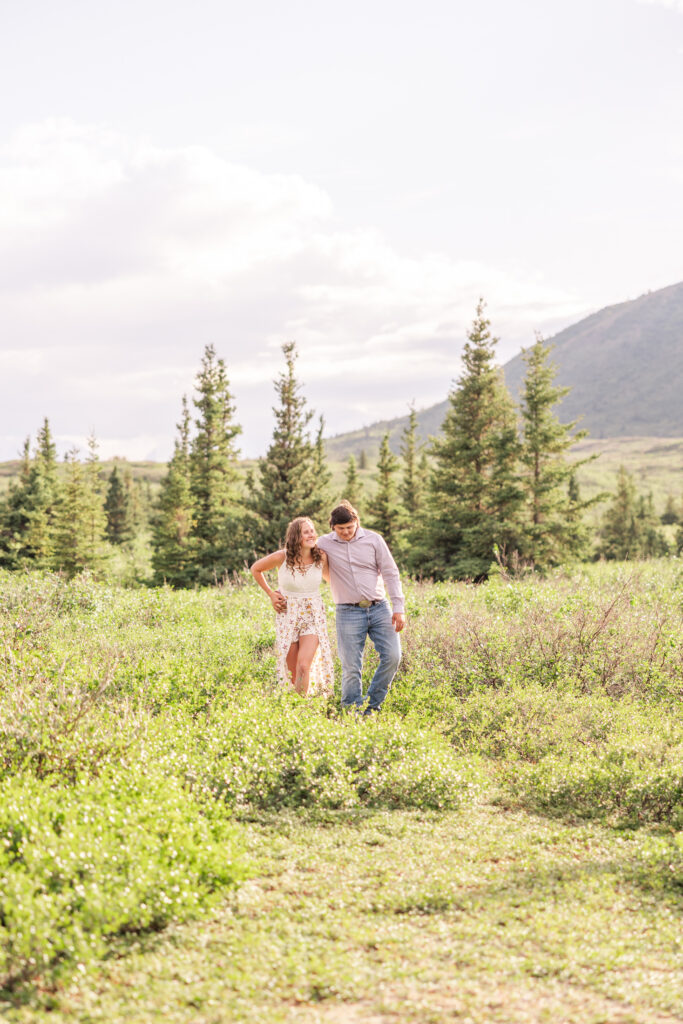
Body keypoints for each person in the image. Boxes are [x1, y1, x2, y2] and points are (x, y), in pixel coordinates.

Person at [316, 500, 405, 713]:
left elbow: (391, 573)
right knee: (351, 667)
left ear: (356, 522)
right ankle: (351, 711)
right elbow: (300, 560)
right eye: (340, 529)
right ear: (332, 527)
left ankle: (372, 706)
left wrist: (398, 607)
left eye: (349, 527)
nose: (346, 532)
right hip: (347, 611)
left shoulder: (374, 540)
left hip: (379, 608)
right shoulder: (323, 543)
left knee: (393, 656)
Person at [250, 516, 334, 697]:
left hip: (312, 615)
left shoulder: (321, 557)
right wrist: (271, 594)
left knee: (304, 665)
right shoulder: (282, 557)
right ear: (296, 536)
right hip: (287, 614)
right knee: (292, 672)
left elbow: (332, 580)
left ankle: (302, 708)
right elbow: (255, 569)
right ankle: (294, 705)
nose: (311, 535)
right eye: (306, 532)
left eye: (312, 530)